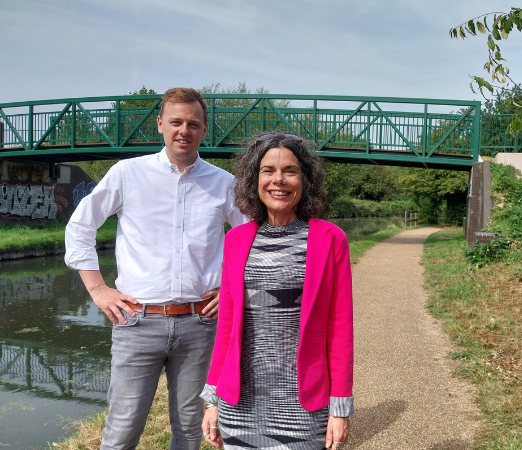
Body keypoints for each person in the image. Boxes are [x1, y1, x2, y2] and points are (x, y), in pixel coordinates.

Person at [64, 87, 247, 450]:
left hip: (200, 322)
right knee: (122, 428)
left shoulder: (224, 183)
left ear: (204, 130)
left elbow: (251, 239)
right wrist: (98, 290)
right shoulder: (127, 174)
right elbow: (80, 226)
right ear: (160, 125)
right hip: (136, 321)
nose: (184, 130)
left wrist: (232, 289)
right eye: (176, 122)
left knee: (190, 428)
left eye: (193, 123)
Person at [200, 132, 354, 450]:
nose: (278, 180)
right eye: (268, 170)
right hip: (240, 404)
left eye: (290, 171)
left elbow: (340, 331)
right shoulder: (236, 240)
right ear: (254, 179)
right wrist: (212, 398)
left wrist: (339, 407)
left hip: (304, 405)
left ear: (305, 179)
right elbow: (226, 328)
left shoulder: (330, 239)